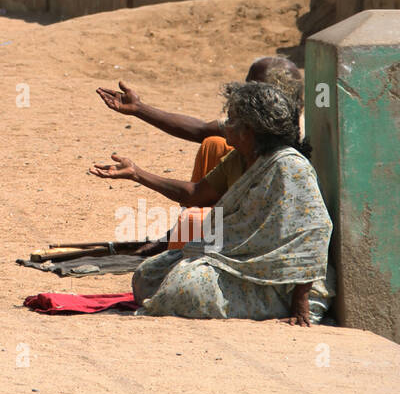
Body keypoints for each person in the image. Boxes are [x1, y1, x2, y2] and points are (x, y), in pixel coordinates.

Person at [91, 82, 333, 325]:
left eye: (232, 120)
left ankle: (275, 306)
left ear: (248, 130)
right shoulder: (240, 157)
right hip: (233, 260)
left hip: (280, 281)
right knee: (147, 275)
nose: (225, 125)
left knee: (184, 287)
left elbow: (314, 231)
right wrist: (137, 173)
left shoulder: (289, 166)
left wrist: (300, 300)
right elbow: (195, 193)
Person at [96, 56, 303, 254]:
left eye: (250, 86)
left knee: (192, 222)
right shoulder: (245, 138)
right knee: (213, 145)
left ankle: (190, 239)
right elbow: (194, 188)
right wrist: (139, 112)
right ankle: (186, 235)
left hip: (259, 239)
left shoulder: (287, 156)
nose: (241, 92)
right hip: (235, 220)